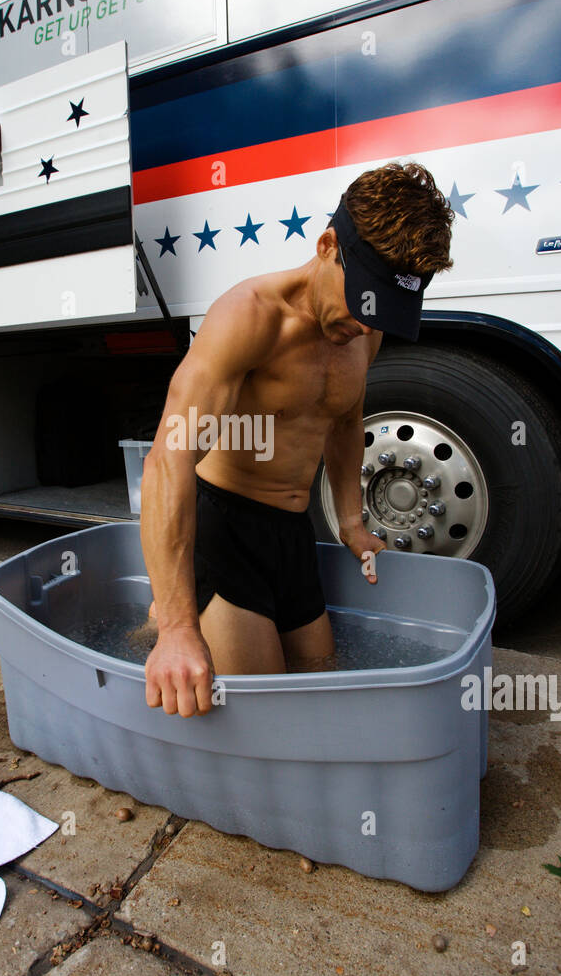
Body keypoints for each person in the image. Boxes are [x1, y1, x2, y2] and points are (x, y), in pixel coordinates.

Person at [140, 161, 454, 716]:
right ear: (329, 244)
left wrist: (353, 524)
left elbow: (344, 419)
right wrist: (177, 628)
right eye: (362, 300)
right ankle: (166, 614)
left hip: (292, 531)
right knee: (266, 713)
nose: (364, 324)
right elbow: (169, 458)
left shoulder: (366, 328)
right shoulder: (250, 316)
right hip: (223, 527)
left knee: (322, 682)